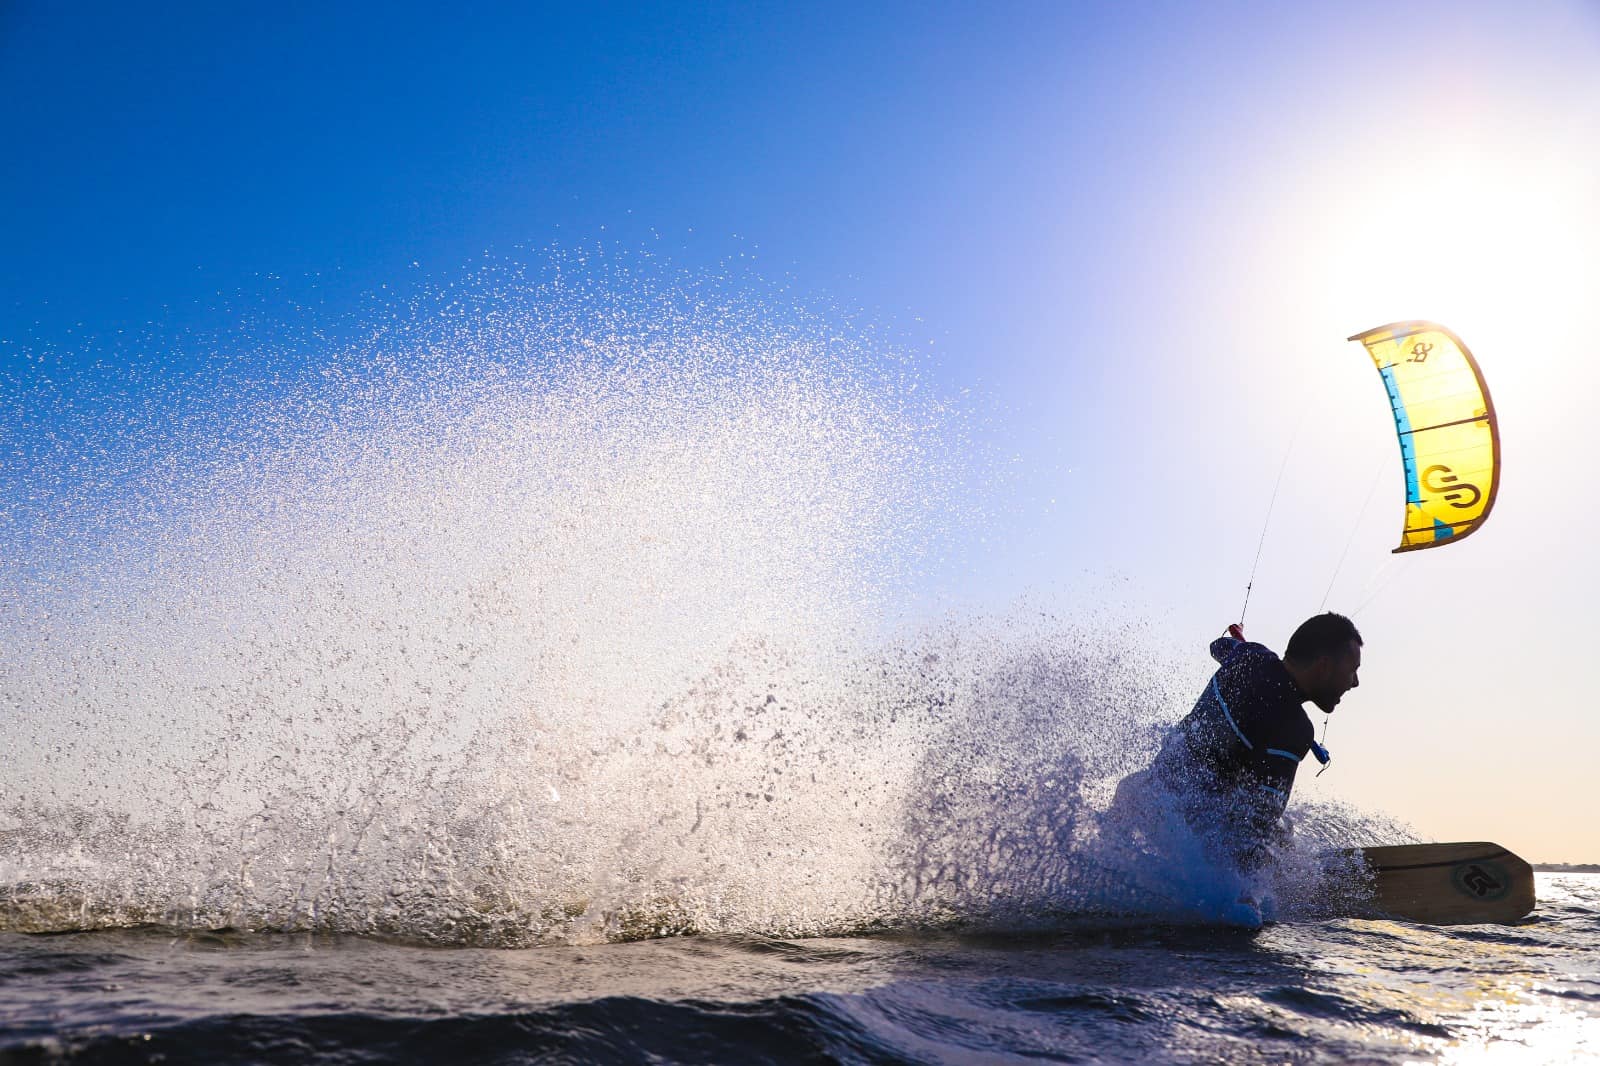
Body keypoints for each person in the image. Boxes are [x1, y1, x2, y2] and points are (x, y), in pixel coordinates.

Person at [1141, 612, 1364, 877]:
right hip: (1188, 844)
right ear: (1324, 666)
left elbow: (1219, 646)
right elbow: (1257, 827)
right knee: (1280, 837)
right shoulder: (1293, 729)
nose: (1355, 683)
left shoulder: (1249, 655)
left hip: (1143, 799)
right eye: (1351, 671)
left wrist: (1241, 643)